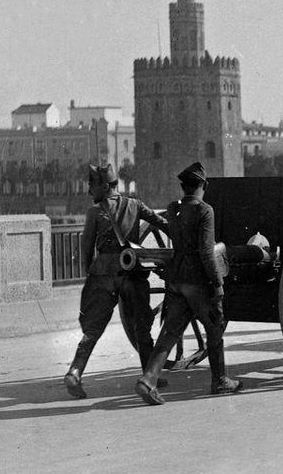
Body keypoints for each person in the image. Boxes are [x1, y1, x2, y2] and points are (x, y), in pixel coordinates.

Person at [135, 162, 242, 405]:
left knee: (170, 332)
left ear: (184, 186)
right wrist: (217, 284)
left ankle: (148, 381)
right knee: (215, 326)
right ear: (203, 185)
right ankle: (220, 380)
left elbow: (171, 230)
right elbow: (206, 252)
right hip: (197, 281)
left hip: (176, 280)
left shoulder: (174, 209)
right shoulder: (205, 211)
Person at [63, 164, 170, 399]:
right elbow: (163, 223)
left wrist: (90, 276)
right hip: (130, 270)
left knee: (93, 329)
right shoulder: (135, 204)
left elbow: (87, 248)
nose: (89, 191)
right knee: (142, 325)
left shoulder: (94, 213)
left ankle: (75, 372)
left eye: (92, 186)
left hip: (102, 274)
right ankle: (149, 375)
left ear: (104, 186)